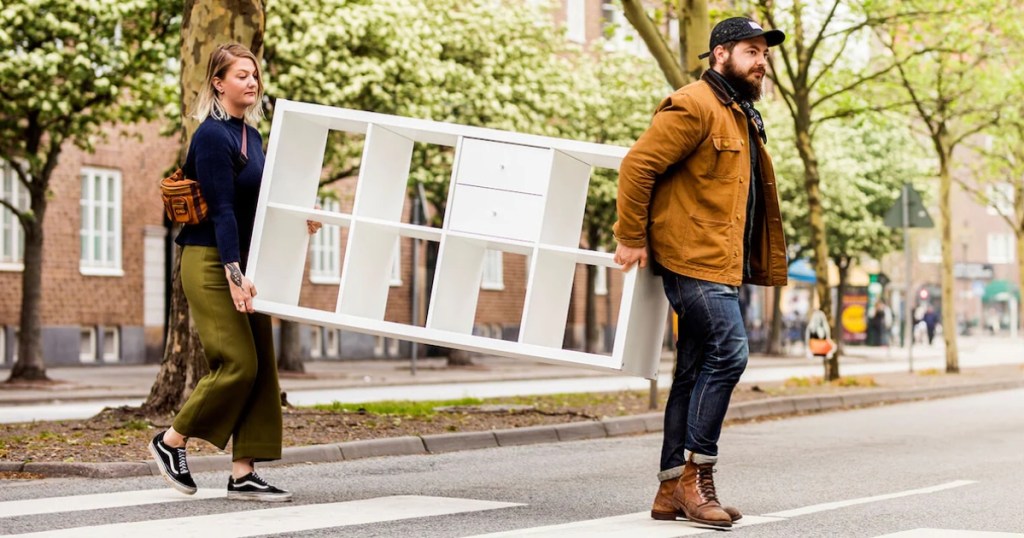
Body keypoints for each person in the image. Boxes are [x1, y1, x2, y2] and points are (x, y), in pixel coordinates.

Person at [613, 17, 788, 529]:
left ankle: (670, 489)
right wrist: (631, 236)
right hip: (693, 261)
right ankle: (697, 476)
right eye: (752, 52)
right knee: (730, 353)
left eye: (764, 54)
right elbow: (638, 166)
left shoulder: (738, 113)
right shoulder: (693, 104)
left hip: (721, 262)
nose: (762, 62)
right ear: (720, 55)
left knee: (692, 370)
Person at [148, 43, 320, 502]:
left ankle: (244, 470)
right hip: (210, 262)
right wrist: (233, 274)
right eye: (241, 74)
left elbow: (257, 206)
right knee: (237, 364)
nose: (252, 81)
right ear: (218, 83)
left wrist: (300, 218)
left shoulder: (253, 137)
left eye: (255, 74)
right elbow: (222, 211)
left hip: (247, 262)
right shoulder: (211, 136)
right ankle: (171, 442)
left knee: (262, 365)